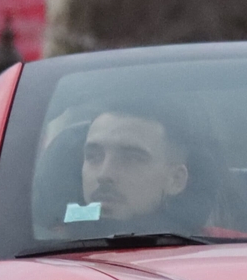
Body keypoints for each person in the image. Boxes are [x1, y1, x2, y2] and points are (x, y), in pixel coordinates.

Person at [67, 100, 217, 234]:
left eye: (131, 158)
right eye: (93, 156)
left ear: (175, 180)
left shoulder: (224, 252)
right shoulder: (48, 247)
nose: (104, 174)